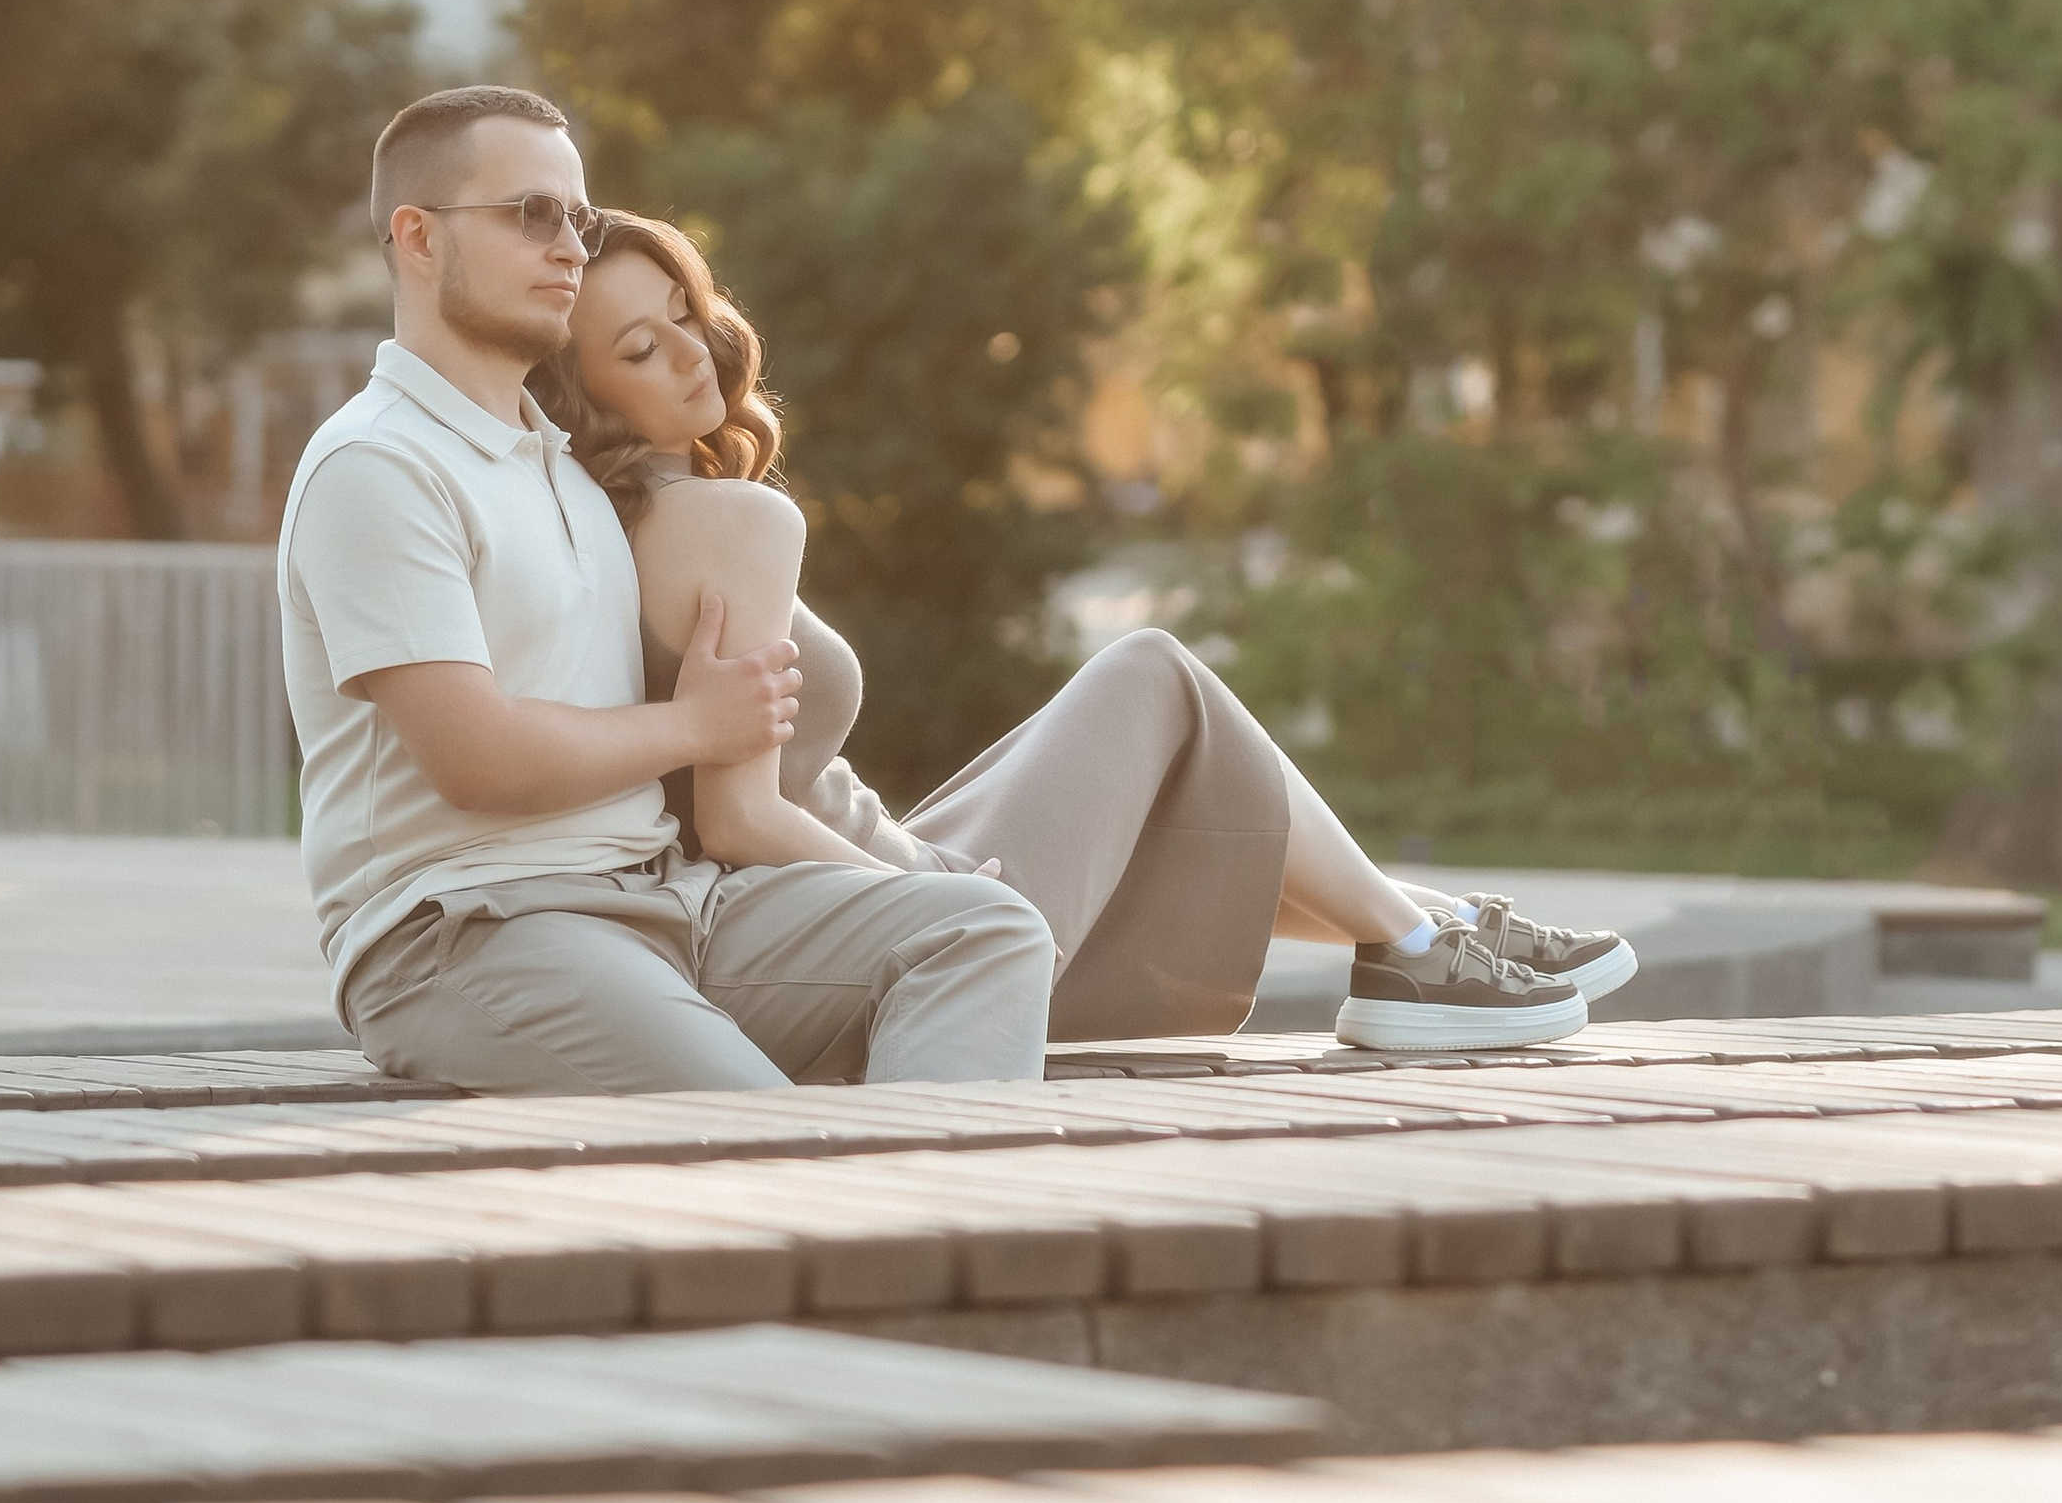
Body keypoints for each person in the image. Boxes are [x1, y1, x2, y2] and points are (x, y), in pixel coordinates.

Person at [529, 210, 1640, 1057]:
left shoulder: (591, 527)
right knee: (1154, 674)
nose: (692, 351)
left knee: (1166, 769)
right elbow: (738, 811)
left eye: (684, 308)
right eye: (640, 348)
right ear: (585, 397)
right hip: (885, 906)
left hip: (859, 866)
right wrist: (946, 904)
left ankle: (1420, 923)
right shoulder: (734, 520)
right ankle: (1418, 954)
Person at [276, 84, 1058, 1092]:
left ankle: (926, 1224)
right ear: (418, 237)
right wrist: (697, 727)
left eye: (578, 214)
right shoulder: (376, 465)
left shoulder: (558, 463)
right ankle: (913, 1224)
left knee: (982, 928)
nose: (569, 244)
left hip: (671, 903)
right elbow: (476, 758)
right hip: (468, 933)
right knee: (754, 1122)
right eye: (530, 213)